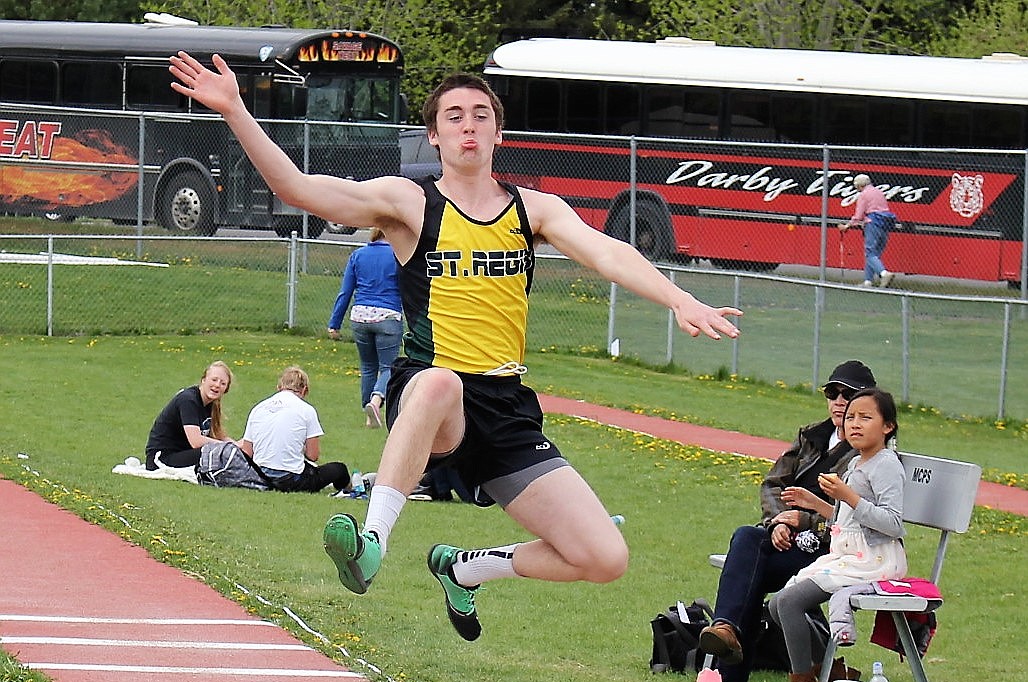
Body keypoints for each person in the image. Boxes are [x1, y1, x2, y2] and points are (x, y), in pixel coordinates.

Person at [168, 56, 740, 642]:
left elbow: (609, 252)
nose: (469, 125)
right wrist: (236, 110)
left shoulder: (532, 210)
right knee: (443, 381)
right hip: (429, 394)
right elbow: (300, 189)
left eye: (481, 115)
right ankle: (372, 542)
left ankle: (466, 568)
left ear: (499, 132)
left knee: (603, 557)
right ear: (434, 135)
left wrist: (679, 300)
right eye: (454, 116)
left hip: (506, 407)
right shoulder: (409, 203)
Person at [698, 360, 877, 682]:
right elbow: (772, 483)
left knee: (750, 568)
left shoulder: (868, 450)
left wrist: (805, 519)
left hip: (834, 550)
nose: (839, 402)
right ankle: (725, 632)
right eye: (832, 393)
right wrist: (780, 521)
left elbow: (861, 515)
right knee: (749, 539)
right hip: (787, 540)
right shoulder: (812, 435)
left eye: (848, 395)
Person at [766, 388, 906, 682]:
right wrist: (816, 504)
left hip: (875, 559)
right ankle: (833, 676)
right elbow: (848, 520)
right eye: (851, 417)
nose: (854, 424)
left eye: (866, 417)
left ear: (888, 426)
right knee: (776, 604)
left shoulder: (886, 465)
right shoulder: (858, 462)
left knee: (788, 602)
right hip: (849, 554)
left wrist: (849, 496)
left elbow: (893, 524)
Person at [327, 228, 403, 429]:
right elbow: (409, 289)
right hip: (387, 315)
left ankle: (368, 416)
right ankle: (376, 402)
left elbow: (345, 292)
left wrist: (334, 323)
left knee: (368, 367)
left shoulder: (358, 255)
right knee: (389, 366)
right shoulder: (399, 255)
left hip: (360, 316)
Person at [240, 366, 351, 493]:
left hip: (259, 476)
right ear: (304, 390)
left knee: (308, 467)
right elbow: (313, 455)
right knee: (339, 469)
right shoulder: (306, 410)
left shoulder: (258, 408)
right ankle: (348, 490)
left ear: (279, 387)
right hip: (290, 479)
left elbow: (247, 452)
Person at [145, 360, 236, 470]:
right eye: (214, 380)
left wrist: (238, 447)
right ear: (203, 380)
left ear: (226, 389)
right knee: (216, 455)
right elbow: (196, 441)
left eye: (223, 383)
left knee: (224, 455)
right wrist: (228, 448)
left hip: (182, 453)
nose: (217, 385)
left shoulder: (210, 404)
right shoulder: (188, 400)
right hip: (161, 458)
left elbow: (218, 436)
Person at [839, 173, 897, 288]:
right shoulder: (879, 192)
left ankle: (884, 273)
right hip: (885, 224)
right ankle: (868, 281)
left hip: (872, 223)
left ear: (859, 185)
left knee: (870, 253)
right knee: (875, 255)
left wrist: (847, 226)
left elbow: (859, 215)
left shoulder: (864, 195)